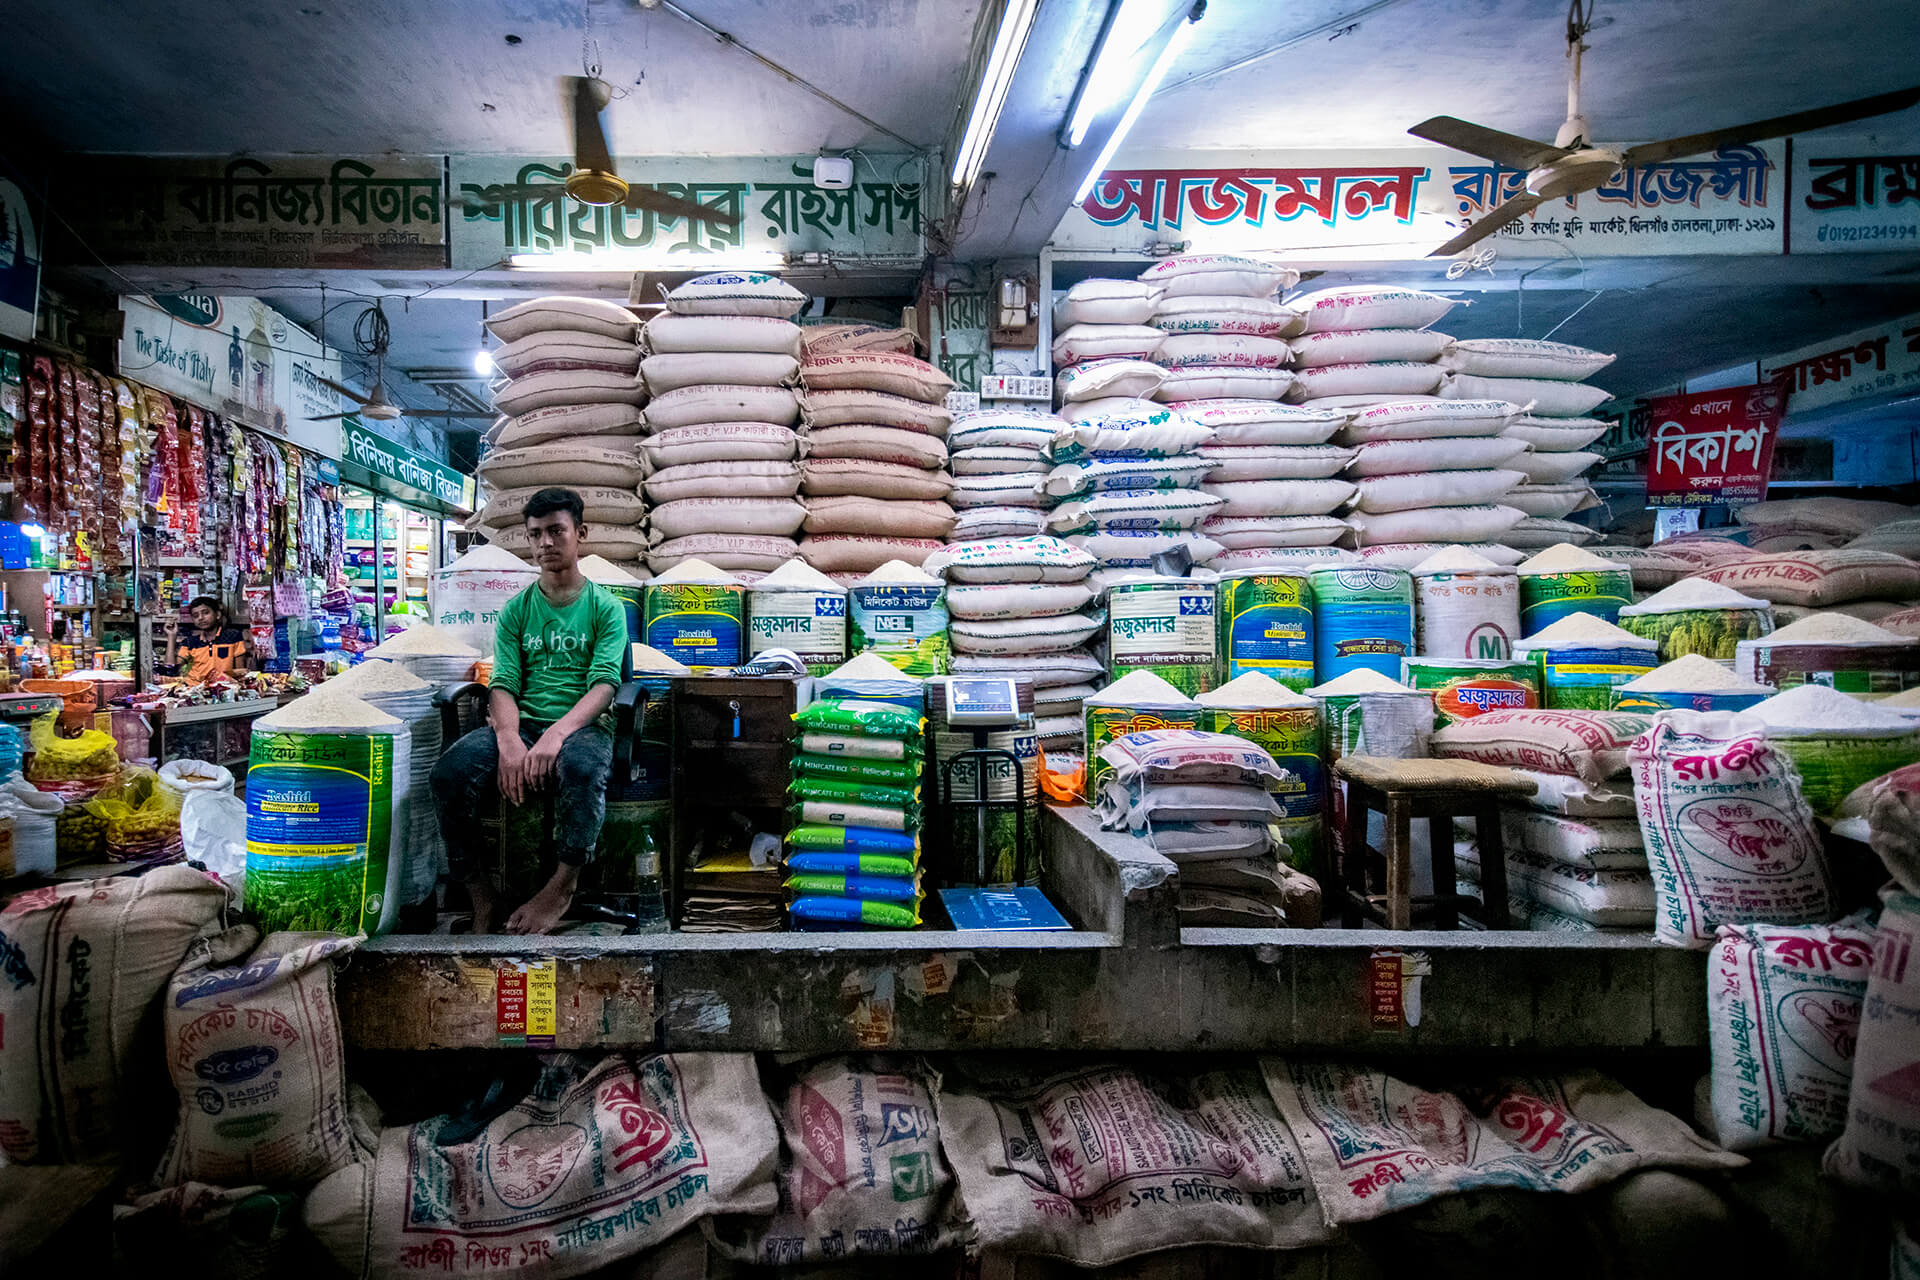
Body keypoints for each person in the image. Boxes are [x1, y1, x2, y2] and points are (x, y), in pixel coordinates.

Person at [430, 487, 627, 934]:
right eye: (535, 534)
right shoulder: (517, 610)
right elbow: (503, 684)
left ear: (581, 534)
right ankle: (481, 893)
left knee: (581, 768)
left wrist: (556, 735)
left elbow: (604, 686)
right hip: (524, 724)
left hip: (584, 725)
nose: (545, 544)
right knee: (447, 774)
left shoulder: (605, 607)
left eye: (556, 531)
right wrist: (508, 741)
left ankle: (561, 887)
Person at [163, 596, 250, 682]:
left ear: (218, 615)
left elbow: (240, 672)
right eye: (196, 616)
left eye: (205, 613)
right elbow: (170, 669)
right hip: (194, 689)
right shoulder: (190, 642)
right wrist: (171, 636)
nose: (200, 618)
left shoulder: (232, 637)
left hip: (222, 687)